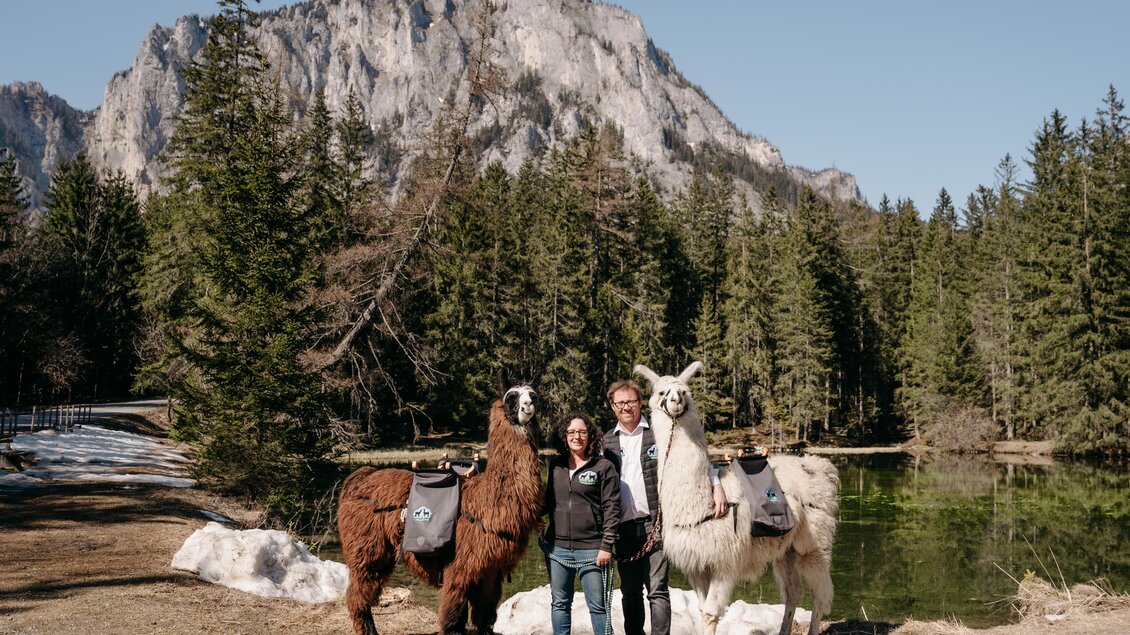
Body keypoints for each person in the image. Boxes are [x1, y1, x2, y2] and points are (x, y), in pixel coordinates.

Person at [603, 379, 727, 635]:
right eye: (620, 403)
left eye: (631, 401)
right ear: (613, 406)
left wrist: (716, 483)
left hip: (657, 522)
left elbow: (694, 459)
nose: (626, 407)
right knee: (630, 592)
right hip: (623, 526)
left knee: (657, 590)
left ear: (641, 403)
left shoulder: (659, 433)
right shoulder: (606, 443)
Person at [542, 411, 621, 635]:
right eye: (572, 432)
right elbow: (549, 501)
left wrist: (606, 546)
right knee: (559, 604)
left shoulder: (603, 467)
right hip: (557, 548)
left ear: (590, 436)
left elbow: (612, 509)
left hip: (592, 550)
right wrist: (535, 519)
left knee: (598, 608)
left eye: (582, 432)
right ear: (564, 435)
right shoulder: (556, 465)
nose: (577, 436)